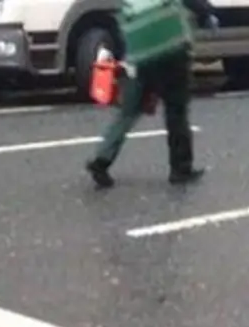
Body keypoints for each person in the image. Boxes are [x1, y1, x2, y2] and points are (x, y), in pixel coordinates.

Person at [85, 0, 219, 189]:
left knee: (129, 111)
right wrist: (207, 14)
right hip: (169, 48)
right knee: (176, 110)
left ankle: (101, 160)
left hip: (140, 52)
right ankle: (181, 169)